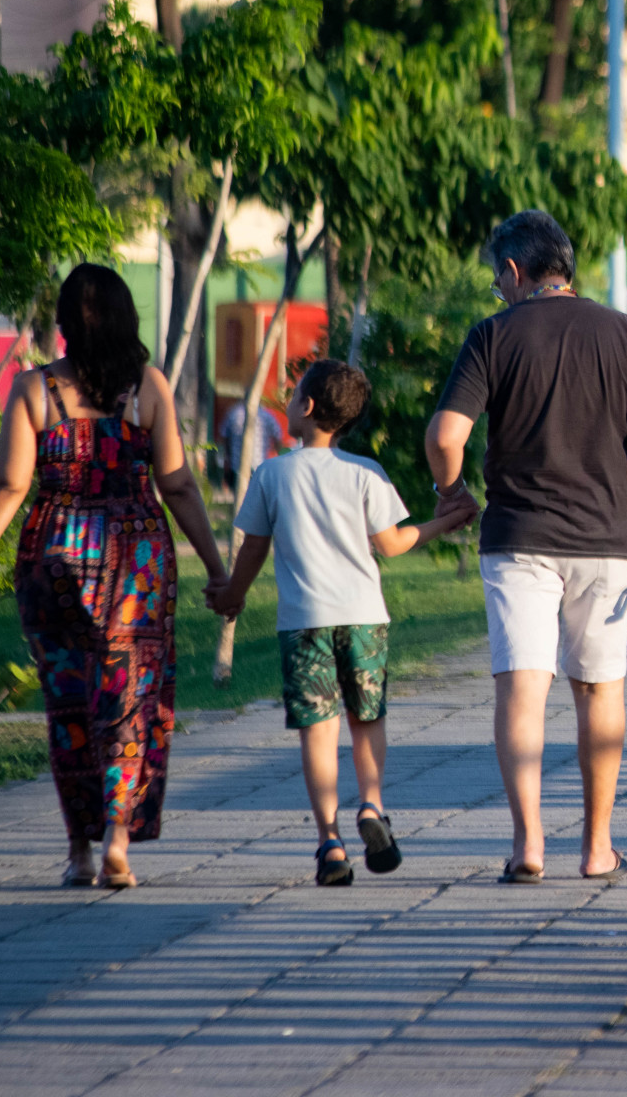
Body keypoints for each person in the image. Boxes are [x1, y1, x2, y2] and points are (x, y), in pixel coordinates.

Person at [425, 210, 627, 884]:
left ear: (515, 273)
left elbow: (444, 436)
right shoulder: (626, 333)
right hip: (607, 542)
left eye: (497, 279)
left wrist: (451, 491)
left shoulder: (494, 336)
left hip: (518, 540)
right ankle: (598, 848)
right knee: (599, 689)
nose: (497, 290)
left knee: (523, 688)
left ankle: (528, 845)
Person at [0, 264, 230, 889]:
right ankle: (118, 842)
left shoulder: (34, 389)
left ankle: (78, 850)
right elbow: (179, 485)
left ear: (63, 327)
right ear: (128, 319)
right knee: (130, 702)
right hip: (134, 561)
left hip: (52, 554)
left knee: (69, 705)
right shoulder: (147, 387)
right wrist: (217, 570)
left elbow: (10, 485)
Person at [208, 360, 474, 886]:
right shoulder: (365, 473)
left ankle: (329, 841)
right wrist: (446, 520)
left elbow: (253, 549)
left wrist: (232, 596)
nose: (287, 400)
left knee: (318, 730)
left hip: (304, 624)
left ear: (306, 408)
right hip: (364, 620)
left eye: (292, 394)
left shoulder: (272, 474)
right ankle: (372, 807)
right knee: (367, 719)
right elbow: (393, 545)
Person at [220, 400, 284, 494]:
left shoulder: (234, 413)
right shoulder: (267, 415)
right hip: (260, 465)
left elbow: (224, 437)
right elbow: (278, 436)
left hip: (237, 465)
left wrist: (228, 456)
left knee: (239, 496)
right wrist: (276, 454)